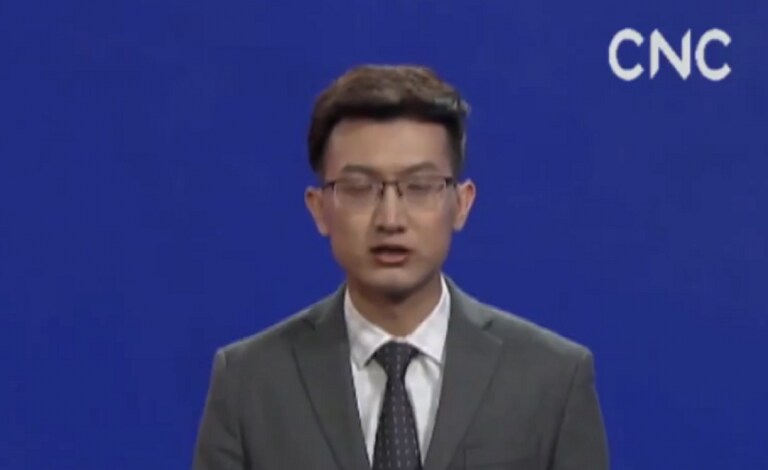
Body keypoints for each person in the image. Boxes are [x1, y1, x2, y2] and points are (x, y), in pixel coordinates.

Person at [192, 64, 609, 470]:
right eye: (359, 188)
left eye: (420, 187)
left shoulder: (552, 379)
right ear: (319, 209)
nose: (390, 219)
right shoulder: (249, 382)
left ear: (461, 203)